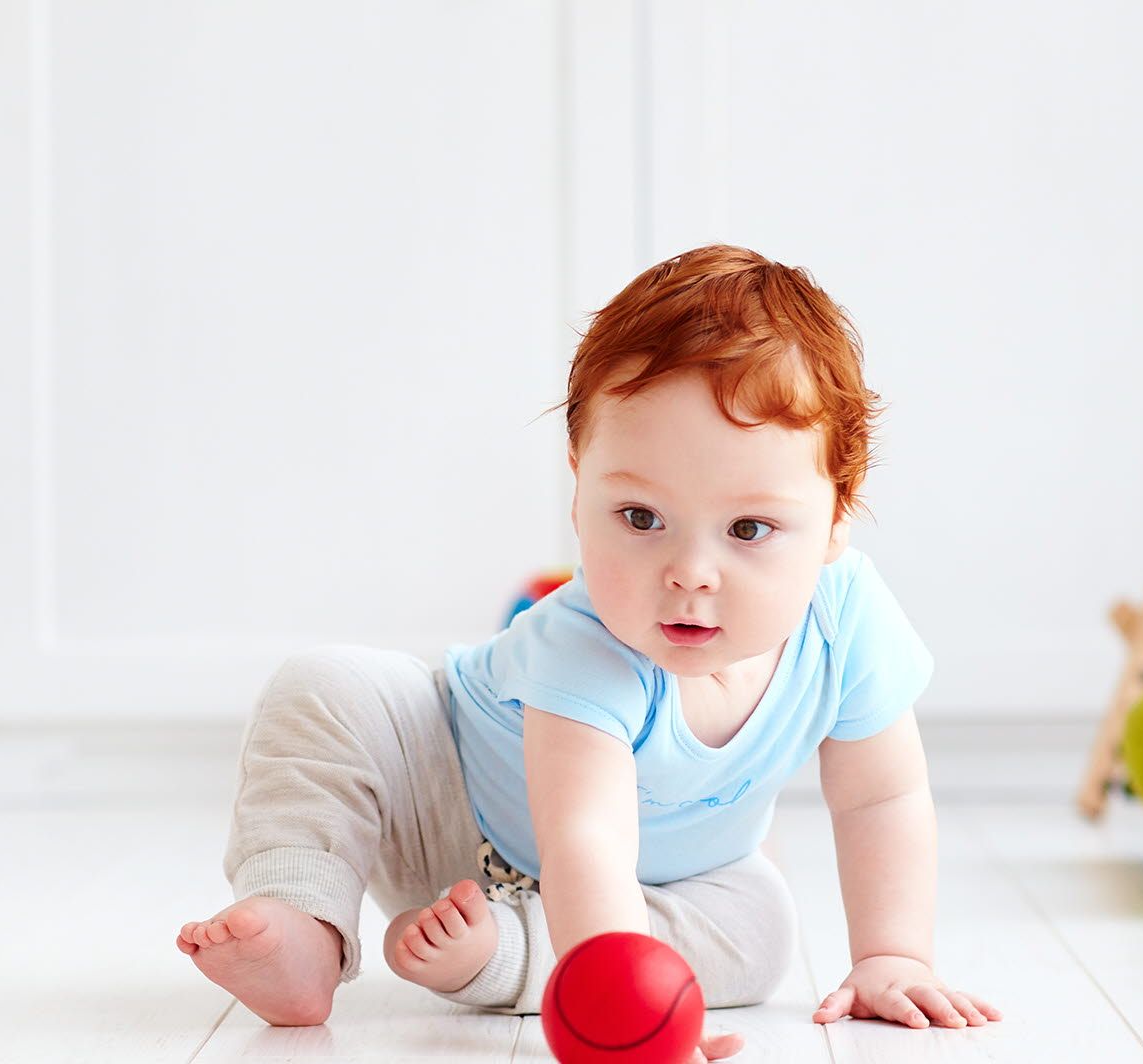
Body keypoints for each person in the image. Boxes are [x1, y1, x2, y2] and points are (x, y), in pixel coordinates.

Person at [175, 245, 999, 1059]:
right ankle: (302, 923)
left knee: (760, 930)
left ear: (836, 517)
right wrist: (622, 1003)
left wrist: (892, 955)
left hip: (648, 887)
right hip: (442, 805)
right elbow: (586, 839)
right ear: (580, 486)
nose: (688, 574)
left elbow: (880, 800)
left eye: (749, 529)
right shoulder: (583, 641)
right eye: (640, 518)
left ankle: (502, 954)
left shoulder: (846, 620)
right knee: (330, 687)